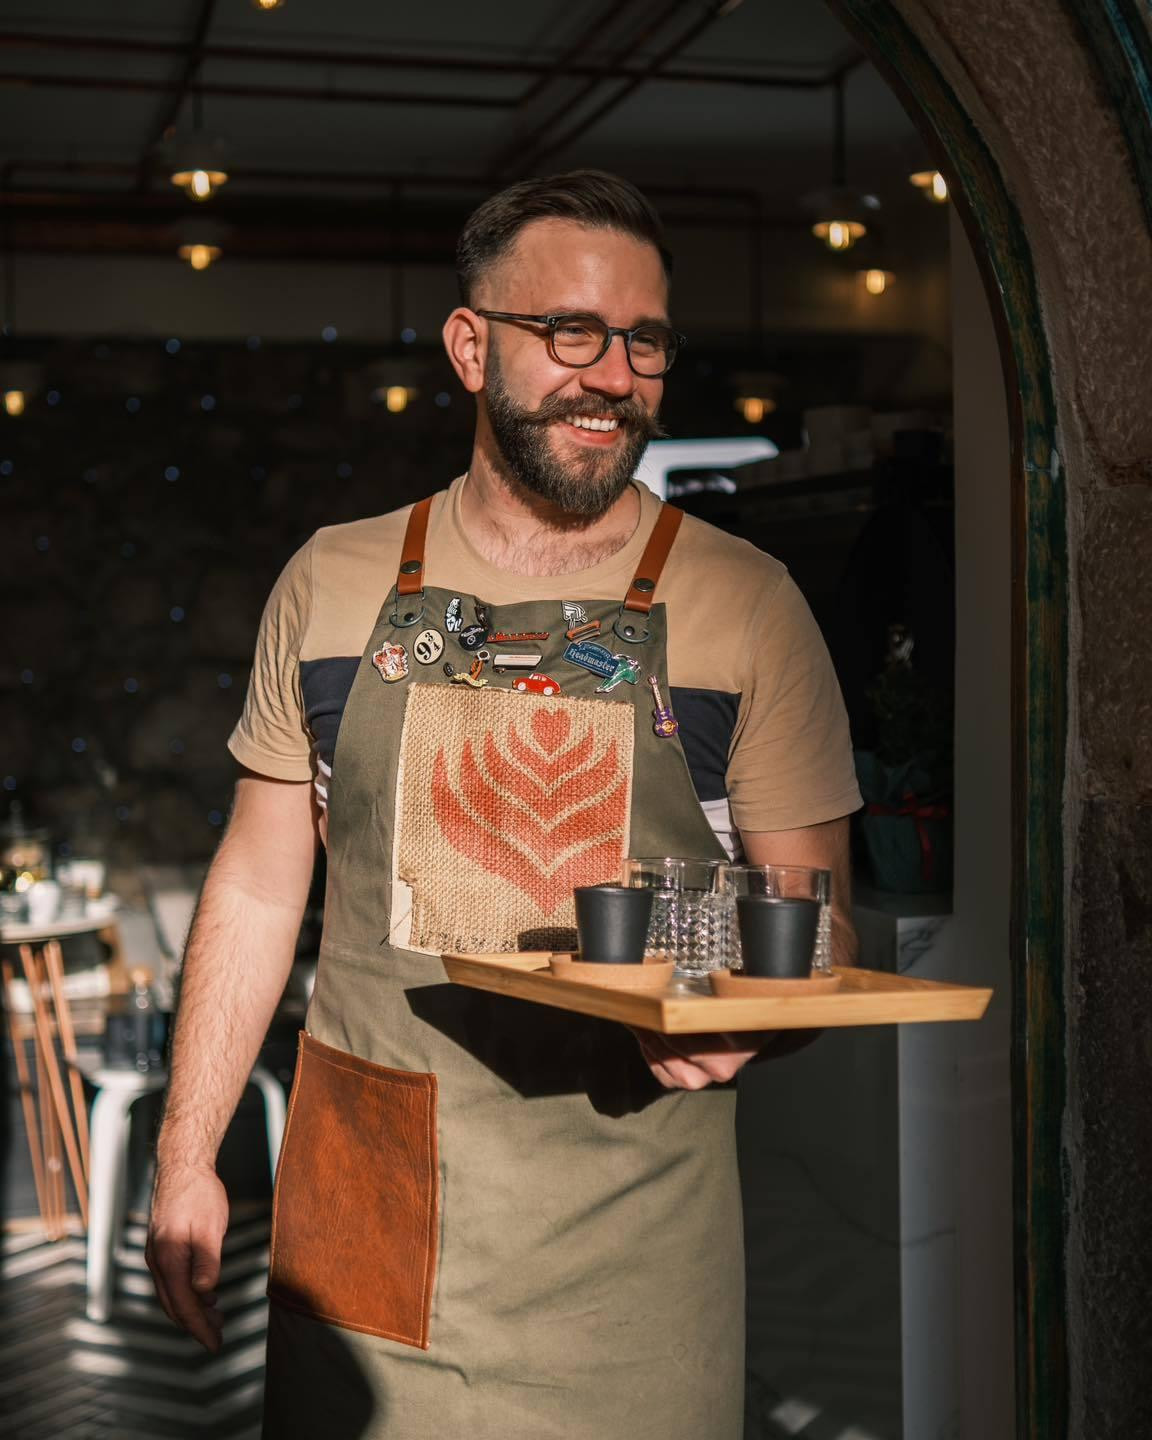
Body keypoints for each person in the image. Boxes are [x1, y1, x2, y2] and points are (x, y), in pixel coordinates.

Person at [146, 169, 862, 1439]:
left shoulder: (749, 605)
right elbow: (257, 884)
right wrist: (186, 1152)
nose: (614, 376)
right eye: (571, 332)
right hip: (363, 1225)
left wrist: (755, 1020)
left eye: (645, 341)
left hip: (631, 1258)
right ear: (471, 348)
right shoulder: (333, 579)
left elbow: (820, 926)